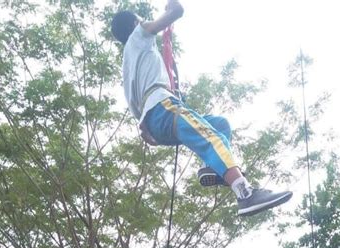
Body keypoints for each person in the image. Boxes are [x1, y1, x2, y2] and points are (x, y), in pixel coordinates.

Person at [110, 2, 293, 218]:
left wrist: (150, 127)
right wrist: (172, 6)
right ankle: (245, 194)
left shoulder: (130, 64)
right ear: (135, 23)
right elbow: (176, 12)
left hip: (156, 121)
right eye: (139, 20)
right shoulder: (139, 35)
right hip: (163, 110)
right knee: (211, 137)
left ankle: (210, 167)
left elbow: (136, 108)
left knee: (219, 125)